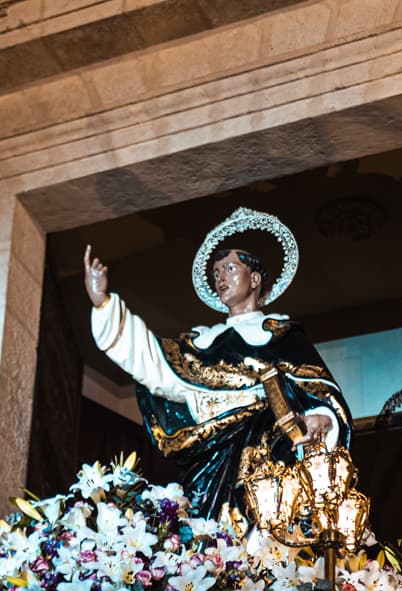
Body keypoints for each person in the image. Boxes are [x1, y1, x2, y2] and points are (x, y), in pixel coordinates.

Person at [83, 208, 352, 517]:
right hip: (208, 465)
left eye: (229, 268)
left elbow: (320, 391)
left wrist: (321, 417)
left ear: (254, 279)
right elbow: (154, 363)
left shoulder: (281, 336)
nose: (220, 277)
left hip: (267, 461)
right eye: (216, 272)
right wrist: (103, 304)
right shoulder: (201, 343)